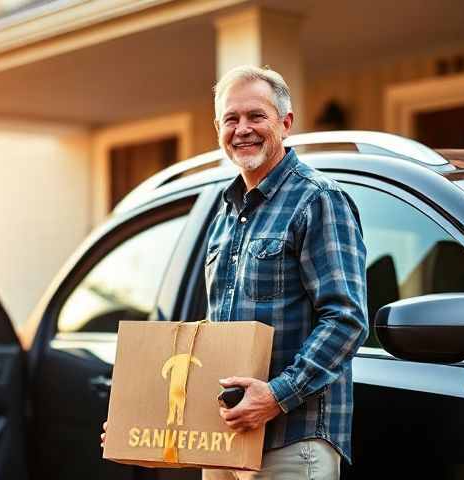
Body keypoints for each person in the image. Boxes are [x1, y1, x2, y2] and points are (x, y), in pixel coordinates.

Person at [102, 65, 368, 480]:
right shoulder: (226, 215)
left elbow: (346, 320)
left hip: (291, 441)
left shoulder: (319, 200)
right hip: (224, 440)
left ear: (285, 123)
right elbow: (215, 336)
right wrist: (143, 417)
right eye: (231, 119)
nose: (243, 129)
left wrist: (276, 397)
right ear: (218, 129)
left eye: (256, 116)